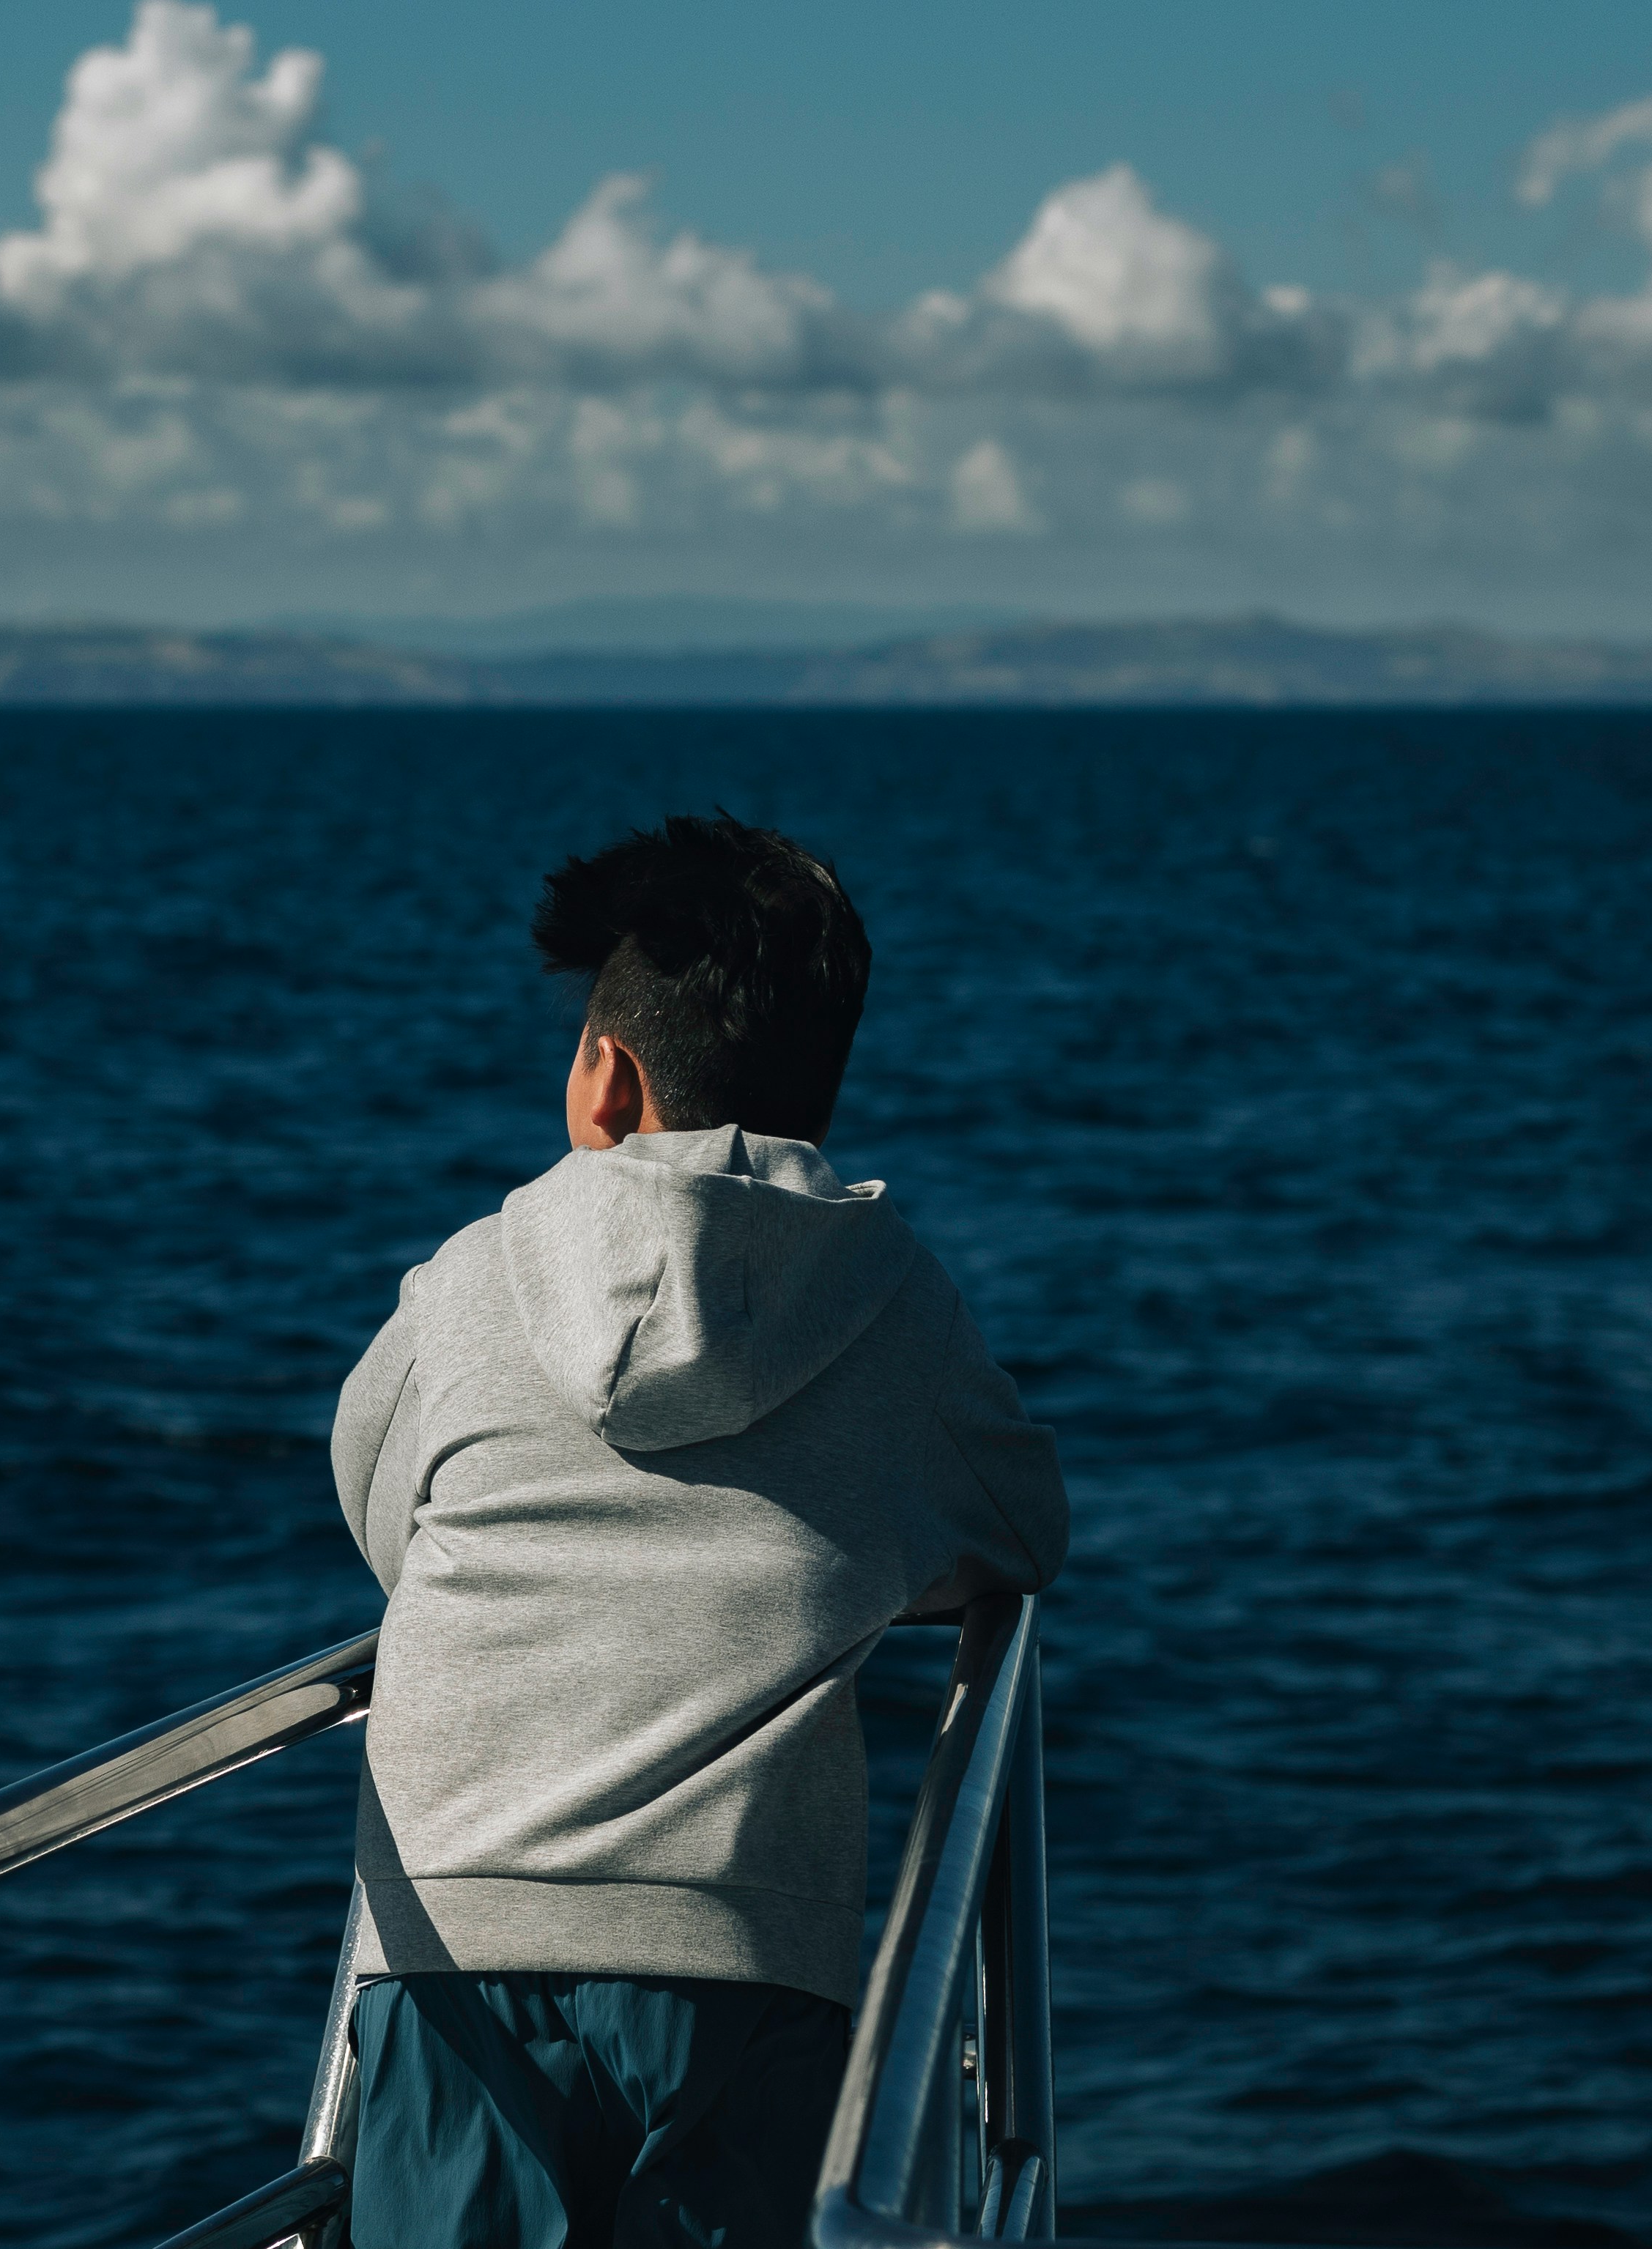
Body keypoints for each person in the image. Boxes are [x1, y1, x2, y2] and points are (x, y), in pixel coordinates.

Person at [330, 813, 1070, 2249]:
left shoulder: (463, 1284)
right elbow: (1019, 1527)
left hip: (450, 1936)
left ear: (602, 1075)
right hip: (743, 1954)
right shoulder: (894, 1304)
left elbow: (386, 1517)